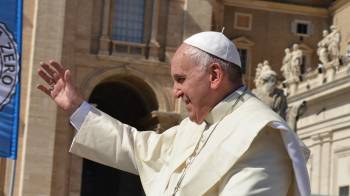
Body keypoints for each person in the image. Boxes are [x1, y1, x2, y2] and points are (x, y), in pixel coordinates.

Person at [37, 31, 310, 196]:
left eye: (180, 79)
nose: (176, 92)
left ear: (214, 75)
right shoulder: (194, 127)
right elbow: (134, 147)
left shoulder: (261, 135)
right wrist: (77, 108)